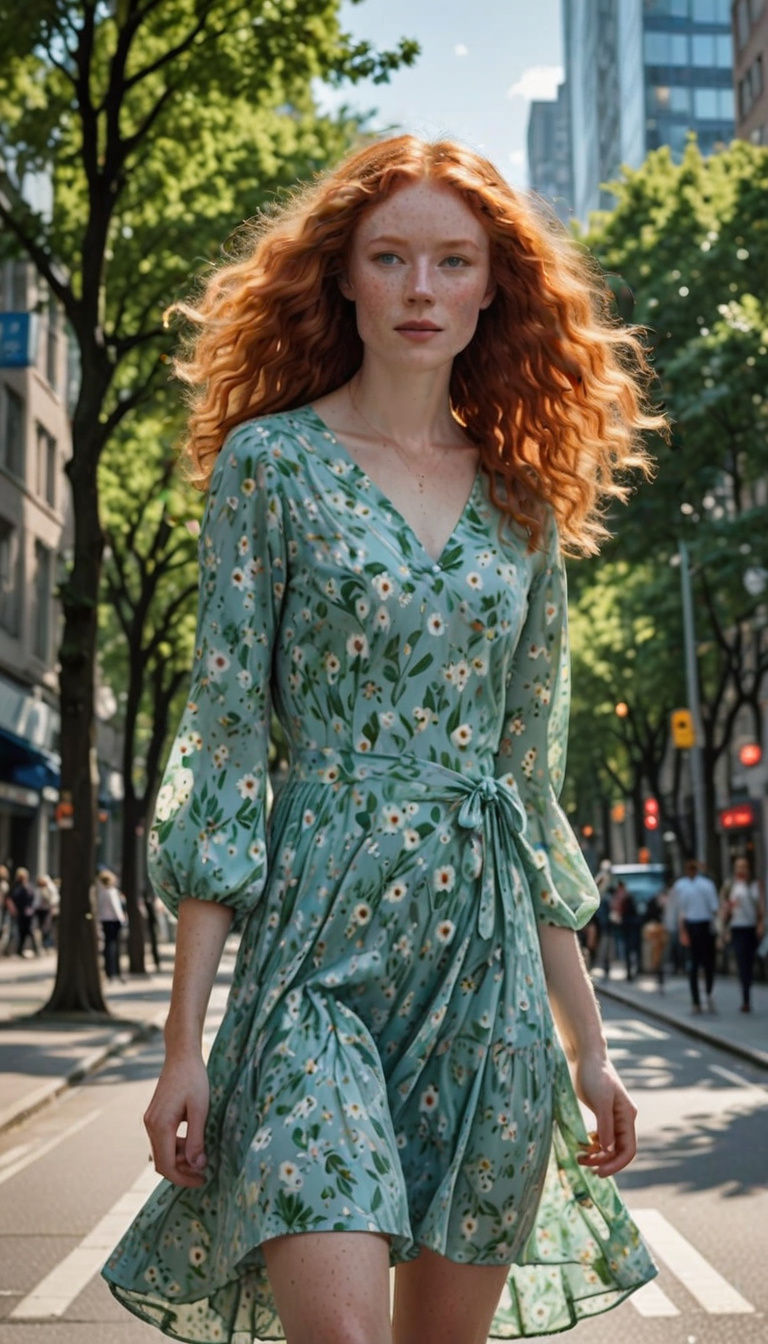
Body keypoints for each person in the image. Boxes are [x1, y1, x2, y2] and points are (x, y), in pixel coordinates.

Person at [102, 135, 666, 1343]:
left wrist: (593, 1051)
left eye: (453, 262)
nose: (422, 289)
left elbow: (528, 790)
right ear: (342, 278)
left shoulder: (523, 506)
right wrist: (182, 1043)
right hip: (313, 968)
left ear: (491, 290)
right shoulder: (272, 468)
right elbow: (228, 747)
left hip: (487, 978)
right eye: (392, 257)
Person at [674, 857, 719, 1014]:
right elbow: (680, 912)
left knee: (707, 964)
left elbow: (714, 909)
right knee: (694, 965)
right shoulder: (681, 886)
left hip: (704, 925)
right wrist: (683, 932)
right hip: (691, 926)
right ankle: (697, 1000)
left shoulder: (706, 885)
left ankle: (707, 995)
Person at [720, 856, 765, 1012]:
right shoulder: (730, 885)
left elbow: (761, 907)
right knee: (741, 962)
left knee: (751, 962)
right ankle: (745, 998)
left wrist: (761, 925)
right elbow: (723, 910)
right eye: (739, 866)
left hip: (751, 928)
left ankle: (749, 989)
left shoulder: (754, 885)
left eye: (744, 866)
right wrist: (728, 911)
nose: (741, 869)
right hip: (737, 928)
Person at [96, 868, 126, 981]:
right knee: (113, 946)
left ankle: (109, 970)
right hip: (114, 920)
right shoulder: (112, 891)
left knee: (107, 945)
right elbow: (116, 907)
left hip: (104, 920)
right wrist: (122, 919)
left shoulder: (101, 892)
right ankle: (114, 971)